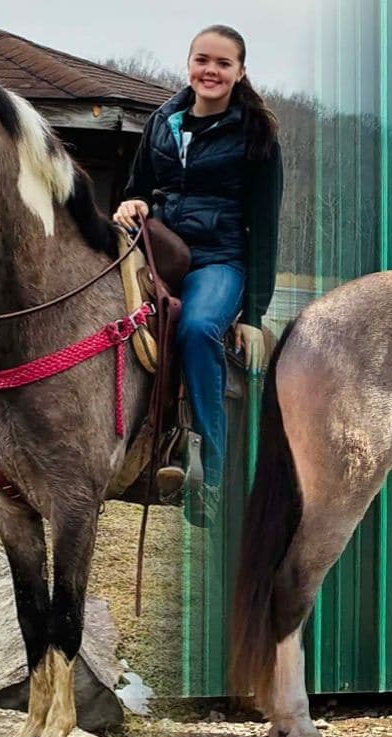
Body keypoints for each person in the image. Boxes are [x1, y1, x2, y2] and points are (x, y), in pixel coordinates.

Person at [114, 24, 283, 525]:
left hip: (219, 259)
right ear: (188, 64)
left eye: (223, 63)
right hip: (161, 251)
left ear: (240, 72)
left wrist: (253, 314)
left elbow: (265, 227)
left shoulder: (256, 136)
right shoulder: (161, 121)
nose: (211, 71)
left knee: (197, 328)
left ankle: (207, 473)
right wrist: (132, 203)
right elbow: (137, 186)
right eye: (202, 60)